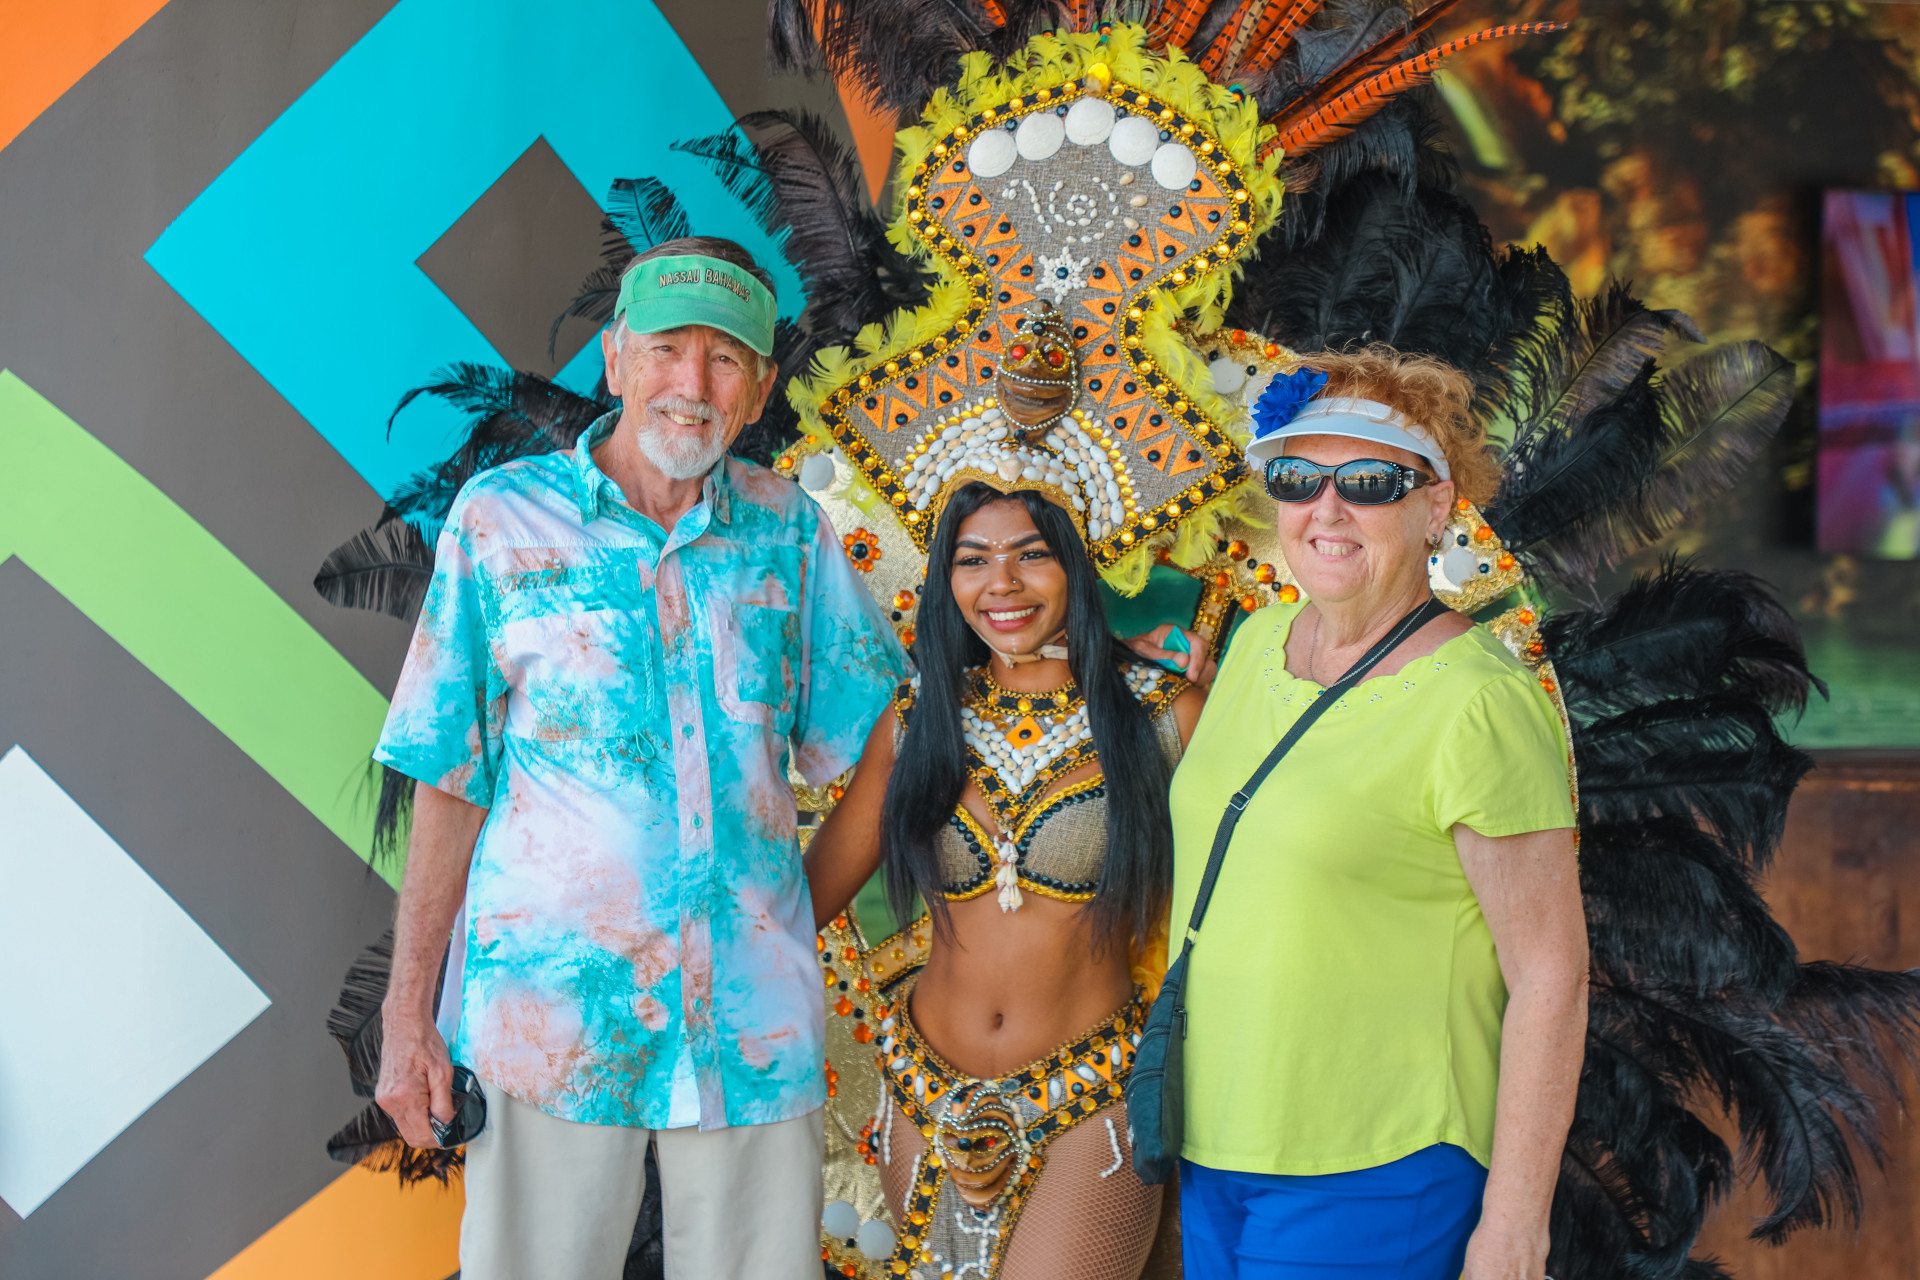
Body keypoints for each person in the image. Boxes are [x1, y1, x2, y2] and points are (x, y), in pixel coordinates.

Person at [370, 235, 909, 1280]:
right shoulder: (502, 521)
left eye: (725, 358)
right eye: (667, 349)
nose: (691, 384)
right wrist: (407, 1015)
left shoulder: (789, 532)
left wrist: (783, 921)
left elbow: (885, 741)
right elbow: (448, 775)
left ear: (759, 390)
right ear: (616, 360)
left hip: (749, 1035)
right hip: (555, 1024)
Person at [1168, 347, 1587, 1280]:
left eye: (1366, 482)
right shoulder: (1255, 642)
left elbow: (1551, 976)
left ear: (1435, 506)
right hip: (1213, 1144)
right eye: (1298, 479)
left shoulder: (1478, 703)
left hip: (1377, 1163)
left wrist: (1515, 1225)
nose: (1327, 509)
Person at [802, 352, 1207, 1279]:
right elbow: (807, 896)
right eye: (973, 559)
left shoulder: (1164, 717)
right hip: (923, 1090)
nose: (1003, 584)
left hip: (1090, 1095)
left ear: (1079, 560)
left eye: (1032, 553)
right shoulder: (916, 721)